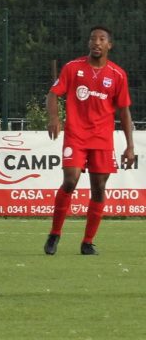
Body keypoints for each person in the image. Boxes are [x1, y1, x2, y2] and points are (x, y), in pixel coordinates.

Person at [44, 25, 135, 256]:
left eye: (101, 39)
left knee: (99, 188)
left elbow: (124, 112)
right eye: (93, 38)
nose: (96, 42)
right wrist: (54, 118)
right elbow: (53, 94)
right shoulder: (73, 68)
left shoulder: (118, 75)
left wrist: (130, 145)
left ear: (109, 45)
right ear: (88, 44)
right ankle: (55, 234)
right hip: (76, 135)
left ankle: (87, 242)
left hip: (102, 139)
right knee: (70, 180)